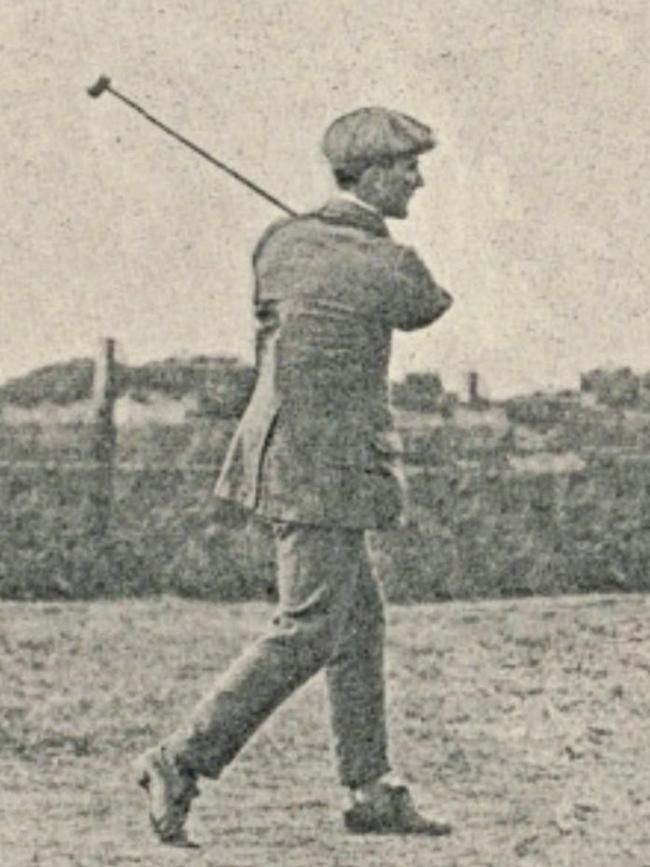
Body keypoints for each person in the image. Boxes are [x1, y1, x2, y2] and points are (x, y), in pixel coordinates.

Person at [135, 106, 454, 847]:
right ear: (371, 174)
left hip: (280, 457)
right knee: (311, 626)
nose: (418, 178)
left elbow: (271, 301)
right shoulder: (388, 260)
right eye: (406, 167)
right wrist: (369, 238)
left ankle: (371, 788)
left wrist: (334, 231)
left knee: (357, 620)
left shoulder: (280, 242)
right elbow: (428, 308)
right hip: (327, 471)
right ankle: (178, 759)